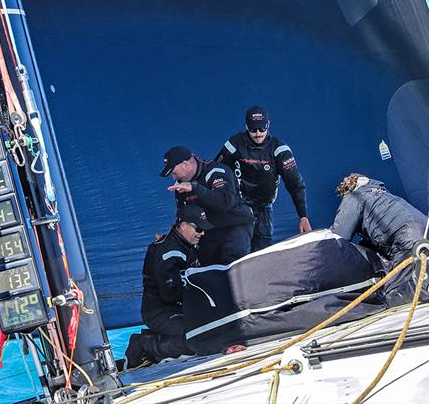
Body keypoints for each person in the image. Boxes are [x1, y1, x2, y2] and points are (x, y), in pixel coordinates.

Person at [330, 173, 429, 306]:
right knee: (412, 283)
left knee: (395, 296)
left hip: (412, 244)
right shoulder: (384, 196)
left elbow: (339, 236)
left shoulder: (354, 197)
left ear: (347, 190)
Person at [125, 205, 213, 367]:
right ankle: (144, 345)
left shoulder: (186, 245)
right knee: (196, 338)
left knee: (209, 330)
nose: (202, 233)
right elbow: (170, 293)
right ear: (184, 225)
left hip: (180, 308)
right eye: (199, 229)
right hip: (160, 311)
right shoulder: (168, 251)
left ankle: (154, 338)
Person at [215, 106, 311, 252]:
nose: (258, 134)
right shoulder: (235, 143)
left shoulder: (280, 150)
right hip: (238, 205)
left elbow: (296, 184)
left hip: (264, 207)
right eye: (253, 129)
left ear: (268, 125)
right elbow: (216, 170)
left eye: (262, 129)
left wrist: (303, 216)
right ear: (246, 126)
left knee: (263, 249)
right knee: (237, 247)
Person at [161, 145, 254, 265]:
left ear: (186, 164)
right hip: (208, 232)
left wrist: (195, 188)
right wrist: (170, 238)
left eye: (174, 172)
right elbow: (184, 216)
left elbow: (225, 202)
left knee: (231, 259)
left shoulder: (216, 171)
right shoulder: (180, 185)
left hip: (235, 224)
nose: (173, 177)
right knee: (203, 267)